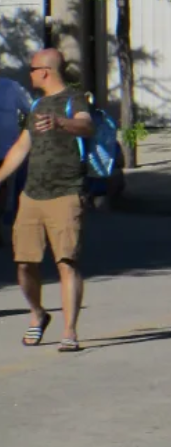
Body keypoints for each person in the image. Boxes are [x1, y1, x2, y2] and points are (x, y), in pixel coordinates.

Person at [0, 49, 95, 352]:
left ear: (45, 71)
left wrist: (59, 122)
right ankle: (38, 314)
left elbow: (85, 125)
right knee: (25, 264)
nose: (28, 74)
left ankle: (69, 331)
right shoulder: (37, 105)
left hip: (66, 192)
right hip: (31, 194)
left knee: (66, 262)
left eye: (31, 69)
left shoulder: (74, 99)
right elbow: (20, 148)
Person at [0, 73, 30, 228]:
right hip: (7, 147)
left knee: (4, 186)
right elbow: (28, 110)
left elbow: (29, 110)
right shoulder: (12, 86)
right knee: (4, 186)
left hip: (7, 148)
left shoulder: (11, 86)